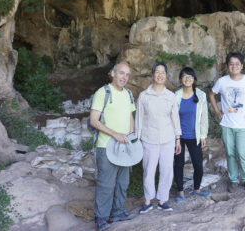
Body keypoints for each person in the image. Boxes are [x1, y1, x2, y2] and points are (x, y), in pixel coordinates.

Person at [209, 52, 245, 193]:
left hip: (243, 125)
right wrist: (218, 111)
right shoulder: (222, 81)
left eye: (237, 63)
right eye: (231, 63)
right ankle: (233, 180)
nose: (234, 66)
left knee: (242, 152)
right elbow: (211, 94)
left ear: (241, 65)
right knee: (230, 153)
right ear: (227, 66)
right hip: (227, 124)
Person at [90, 63, 136, 231]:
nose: (124, 77)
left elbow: (130, 115)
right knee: (106, 184)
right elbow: (94, 121)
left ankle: (118, 211)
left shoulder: (128, 94)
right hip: (106, 145)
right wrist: (115, 134)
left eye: (127, 75)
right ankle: (101, 218)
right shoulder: (103, 93)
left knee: (122, 182)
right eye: (121, 73)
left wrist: (131, 132)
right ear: (113, 73)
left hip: (124, 146)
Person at [135, 62, 182, 213]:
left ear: (166, 76)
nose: (160, 75)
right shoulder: (144, 96)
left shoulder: (170, 96)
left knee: (167, 170)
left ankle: (163, 200)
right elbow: (139, 119)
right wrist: (137, 139)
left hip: (168, 139)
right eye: (157, 72)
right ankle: (148, 201)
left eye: (163, 72)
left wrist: (177, 139)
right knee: (148, 170)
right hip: (149, 139)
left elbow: (175, 118)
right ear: (153, 75)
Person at [173, 67, 210, 202]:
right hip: (179, 137)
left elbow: (204, 117)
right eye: (184, 76)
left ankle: (197, 189)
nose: (187, 79)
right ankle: (180, 192)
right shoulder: (176, 95)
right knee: (178, 164)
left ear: (194, 79)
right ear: (180, 79)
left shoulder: (200, 95)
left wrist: (203, 135)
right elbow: (172, 117)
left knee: (198, 164)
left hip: (195, 136)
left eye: (190, 76)